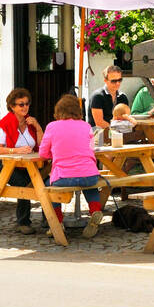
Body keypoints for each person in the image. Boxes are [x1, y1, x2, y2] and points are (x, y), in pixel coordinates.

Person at [39, 94, 105, 238]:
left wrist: (56, 153)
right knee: (90, 185)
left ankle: (58, 222)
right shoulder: (87, 126)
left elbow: (43, 154)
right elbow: (92, 149)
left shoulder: (52, 126)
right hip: (90, 175)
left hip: (64, 177)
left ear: (58, 111)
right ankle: (94, 211)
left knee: (47, 186)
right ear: (77, 111)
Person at [0, 88, 42, 234]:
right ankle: (23, 222)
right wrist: (16, 150)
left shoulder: (30, 122)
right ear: (12, 106)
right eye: (21, 104)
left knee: (47, 179)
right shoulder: (3, 125)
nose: (25, 107)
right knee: (25, 184)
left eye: (27, 104)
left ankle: (49, 220)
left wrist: (37, 127)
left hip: (27, 165)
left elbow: (42, 146)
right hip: (5, 166)